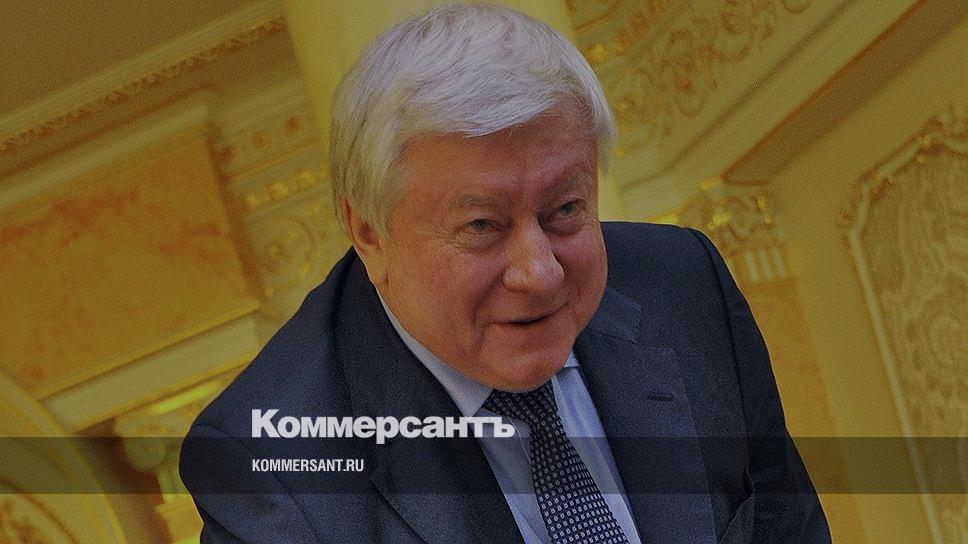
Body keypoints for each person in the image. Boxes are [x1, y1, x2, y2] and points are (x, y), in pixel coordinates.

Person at [180, 4, 830, 543]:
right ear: (370, 233)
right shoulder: (275, 476)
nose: (541, 274)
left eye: (565, 210)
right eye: (482, 226)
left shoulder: (683, 284)